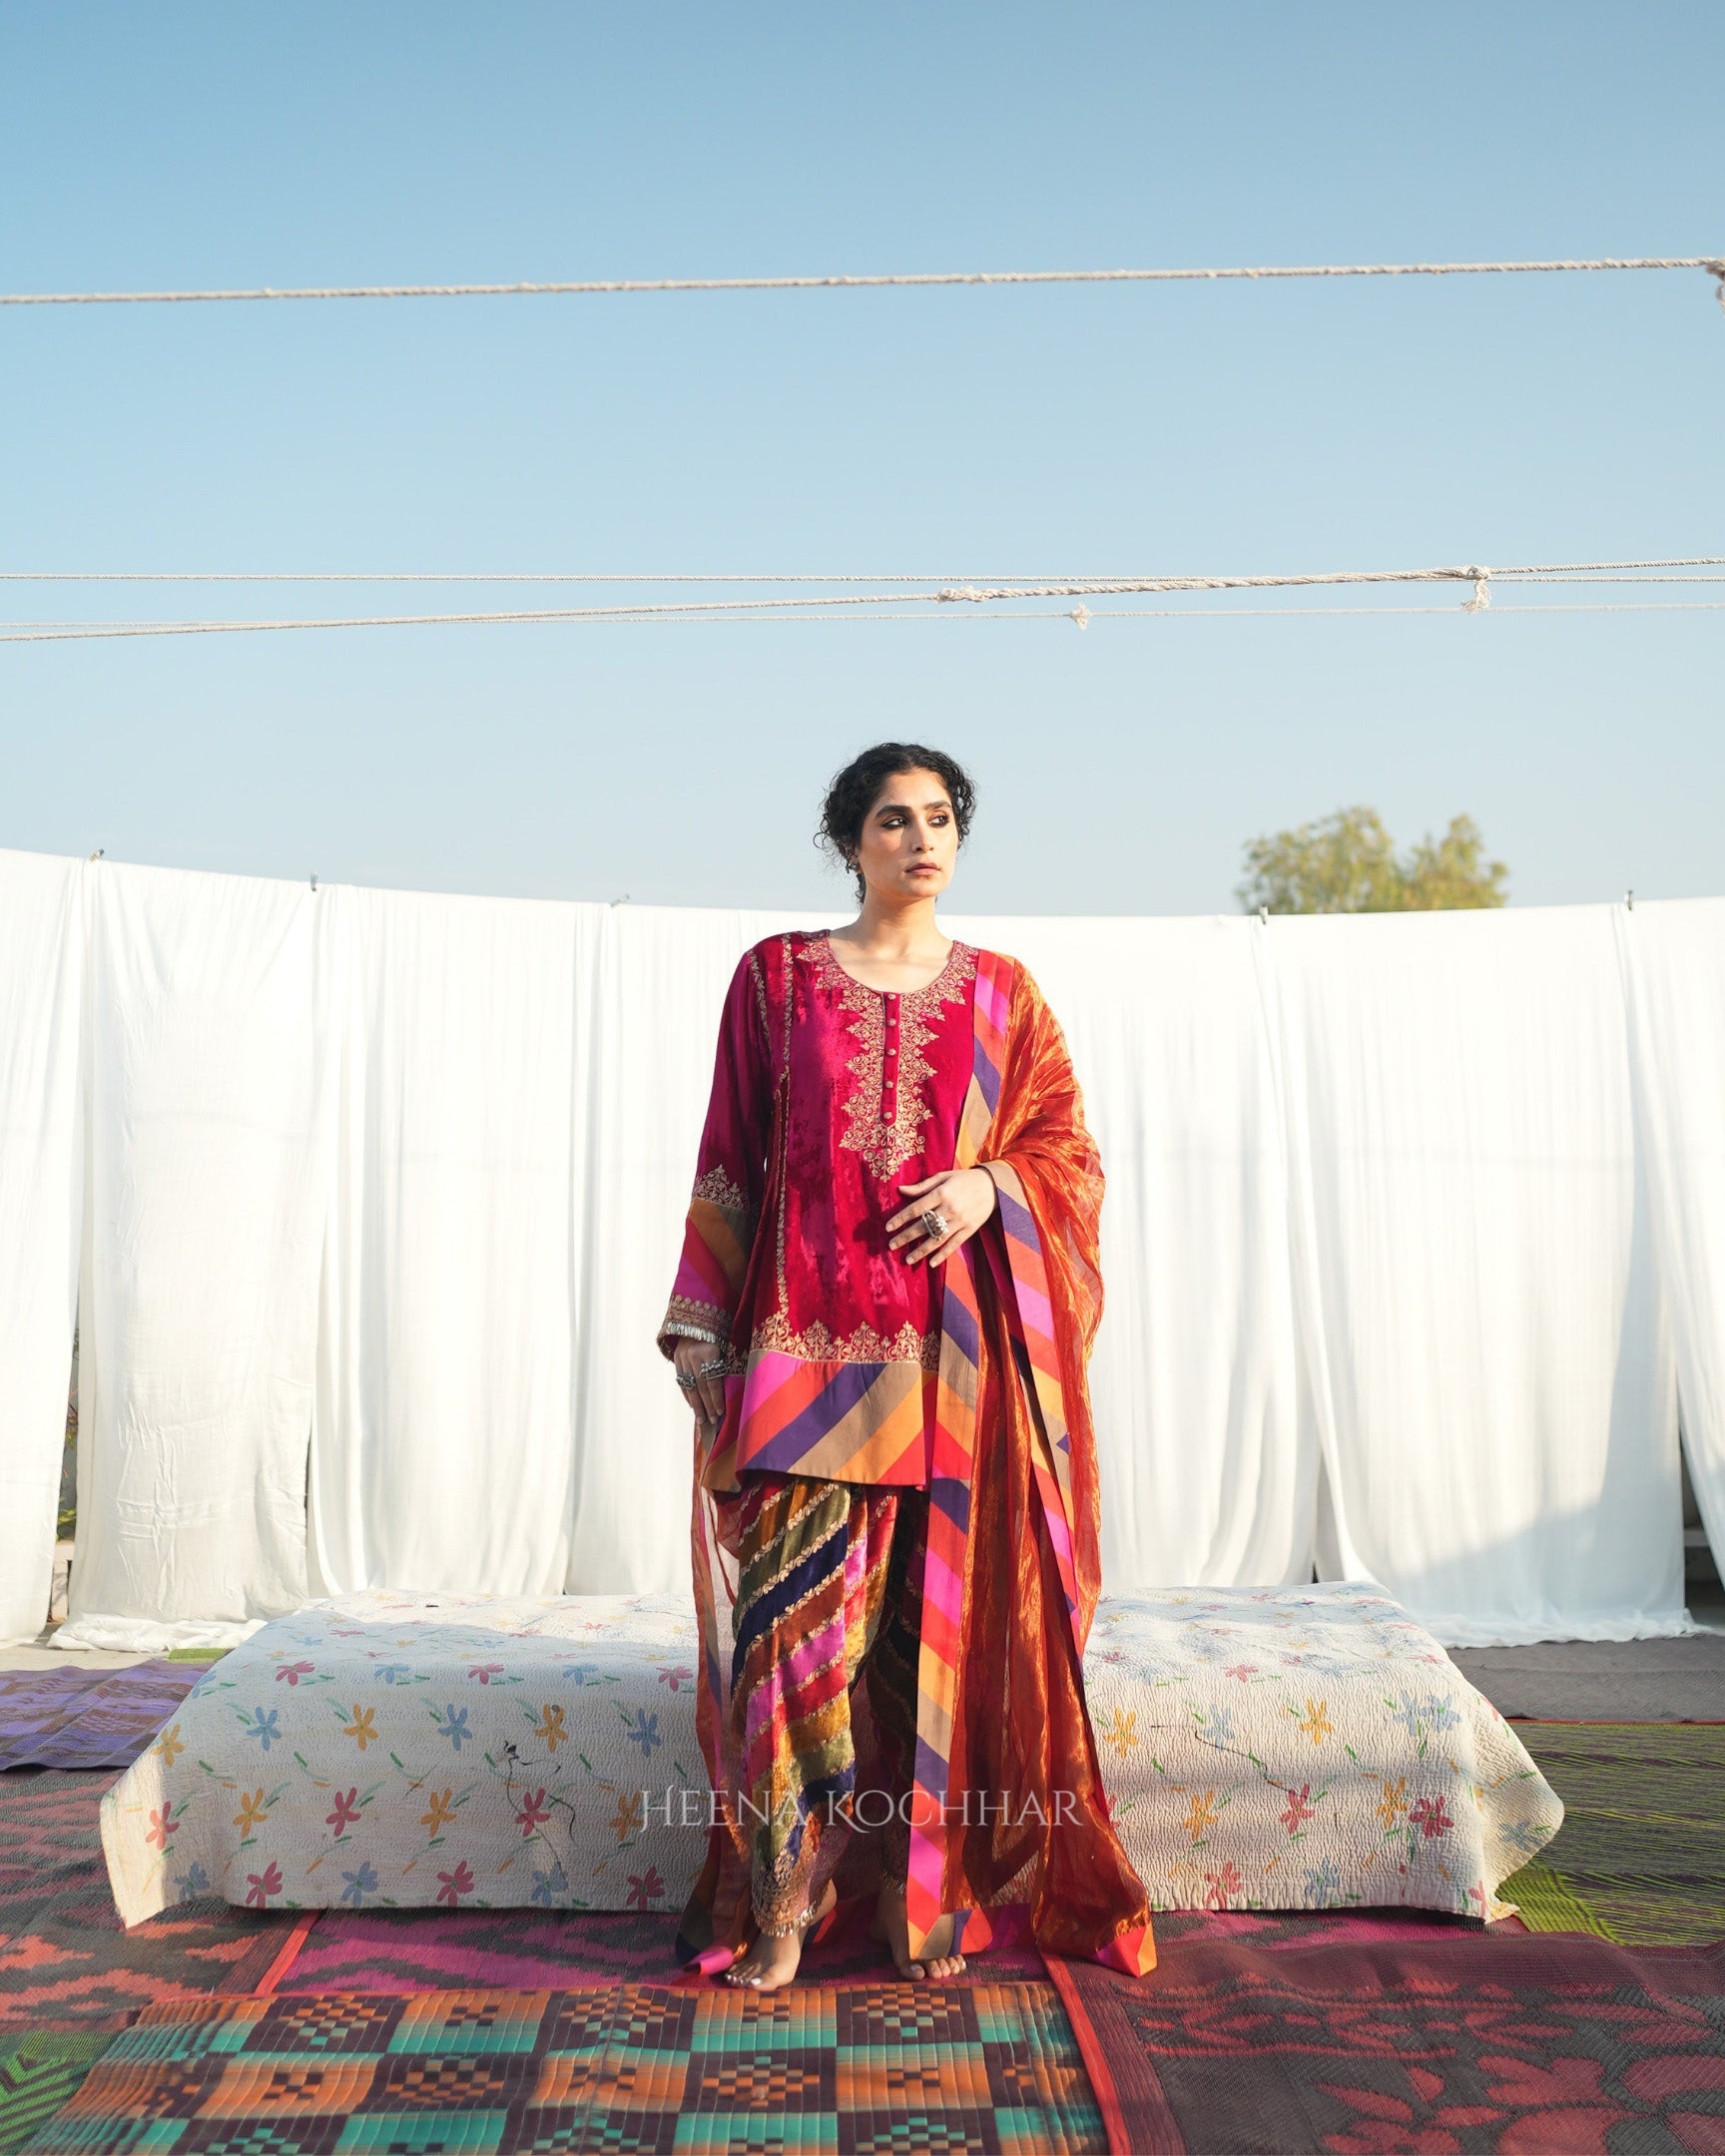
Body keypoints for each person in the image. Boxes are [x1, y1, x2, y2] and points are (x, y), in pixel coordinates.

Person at [659, 743, 1155, 1990]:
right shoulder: (775, 978)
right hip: (800, 1359)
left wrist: (995, 1184)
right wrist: (702, 1324)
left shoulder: (1003, 995)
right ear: (850, 843)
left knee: (923, 1653)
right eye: (894, 819)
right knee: (786, 1652)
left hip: (955, 1375)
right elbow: (731, 1152)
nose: (921, 838)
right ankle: (783, 1900)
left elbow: (1069, 1157)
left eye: (940, 818)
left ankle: (914, 1894)